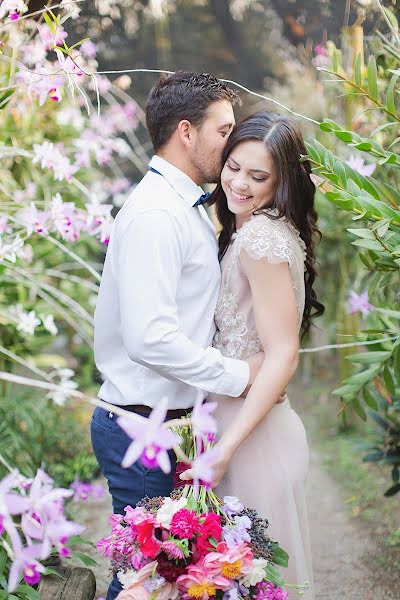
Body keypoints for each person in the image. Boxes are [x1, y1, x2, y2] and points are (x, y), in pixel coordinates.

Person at [91, 72, 263, 600]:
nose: (231, 143)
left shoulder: (186, 207)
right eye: (223, 130)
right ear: (186, 132)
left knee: (178, 582)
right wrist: (240, 375)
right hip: (141, 429)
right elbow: (151, 339)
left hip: (174, 426)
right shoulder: (156, 216)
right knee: (144, 585)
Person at [181, 111, 325, 599]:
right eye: (233, 167)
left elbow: (284, 352)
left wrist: (225, 450)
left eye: (258, 176)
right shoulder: (256, 227)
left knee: (252, 581)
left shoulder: (261, 238)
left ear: (283, 181)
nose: (239, 183)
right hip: (242, 422)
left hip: (252, 435)